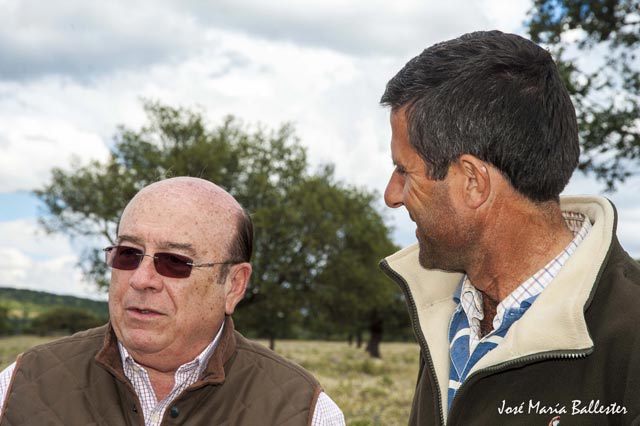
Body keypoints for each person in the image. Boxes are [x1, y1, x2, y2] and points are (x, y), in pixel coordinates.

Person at [378, 30, 640, 425]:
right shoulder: (446, 314)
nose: (392, 195)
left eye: (404, 170)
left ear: (473, 181)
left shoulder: (631, 333)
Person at [0, 177, 345, 426]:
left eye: (175, 262)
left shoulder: (305, 412)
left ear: (234, 285)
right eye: (128, 254)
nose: (141, 279)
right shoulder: (20, 385)